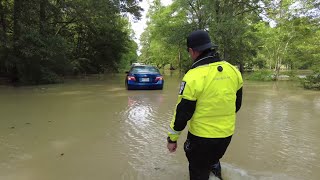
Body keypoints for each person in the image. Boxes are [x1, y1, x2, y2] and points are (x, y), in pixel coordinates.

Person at [166, 30, 243, 180]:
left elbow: (183, 113)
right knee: (213, 161)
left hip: (201, 139)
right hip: (226, 136)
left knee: (198, 172)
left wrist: (172, 139)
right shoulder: (233, 70)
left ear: (191, 51)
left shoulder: (193, 76)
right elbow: (237, 105)